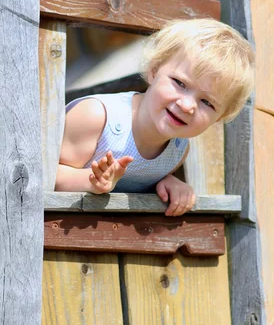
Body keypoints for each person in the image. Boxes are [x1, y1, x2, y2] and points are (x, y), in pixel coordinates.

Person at [55, 18, 255, 216]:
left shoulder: (177, 151)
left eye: (207, 103)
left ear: (219, 118)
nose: (186, 106)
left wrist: (166, 183)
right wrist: (91, 180)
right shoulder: (96, 117)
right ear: (153, 70)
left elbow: (137, 178)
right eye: (180, 83)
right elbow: (46, 174)